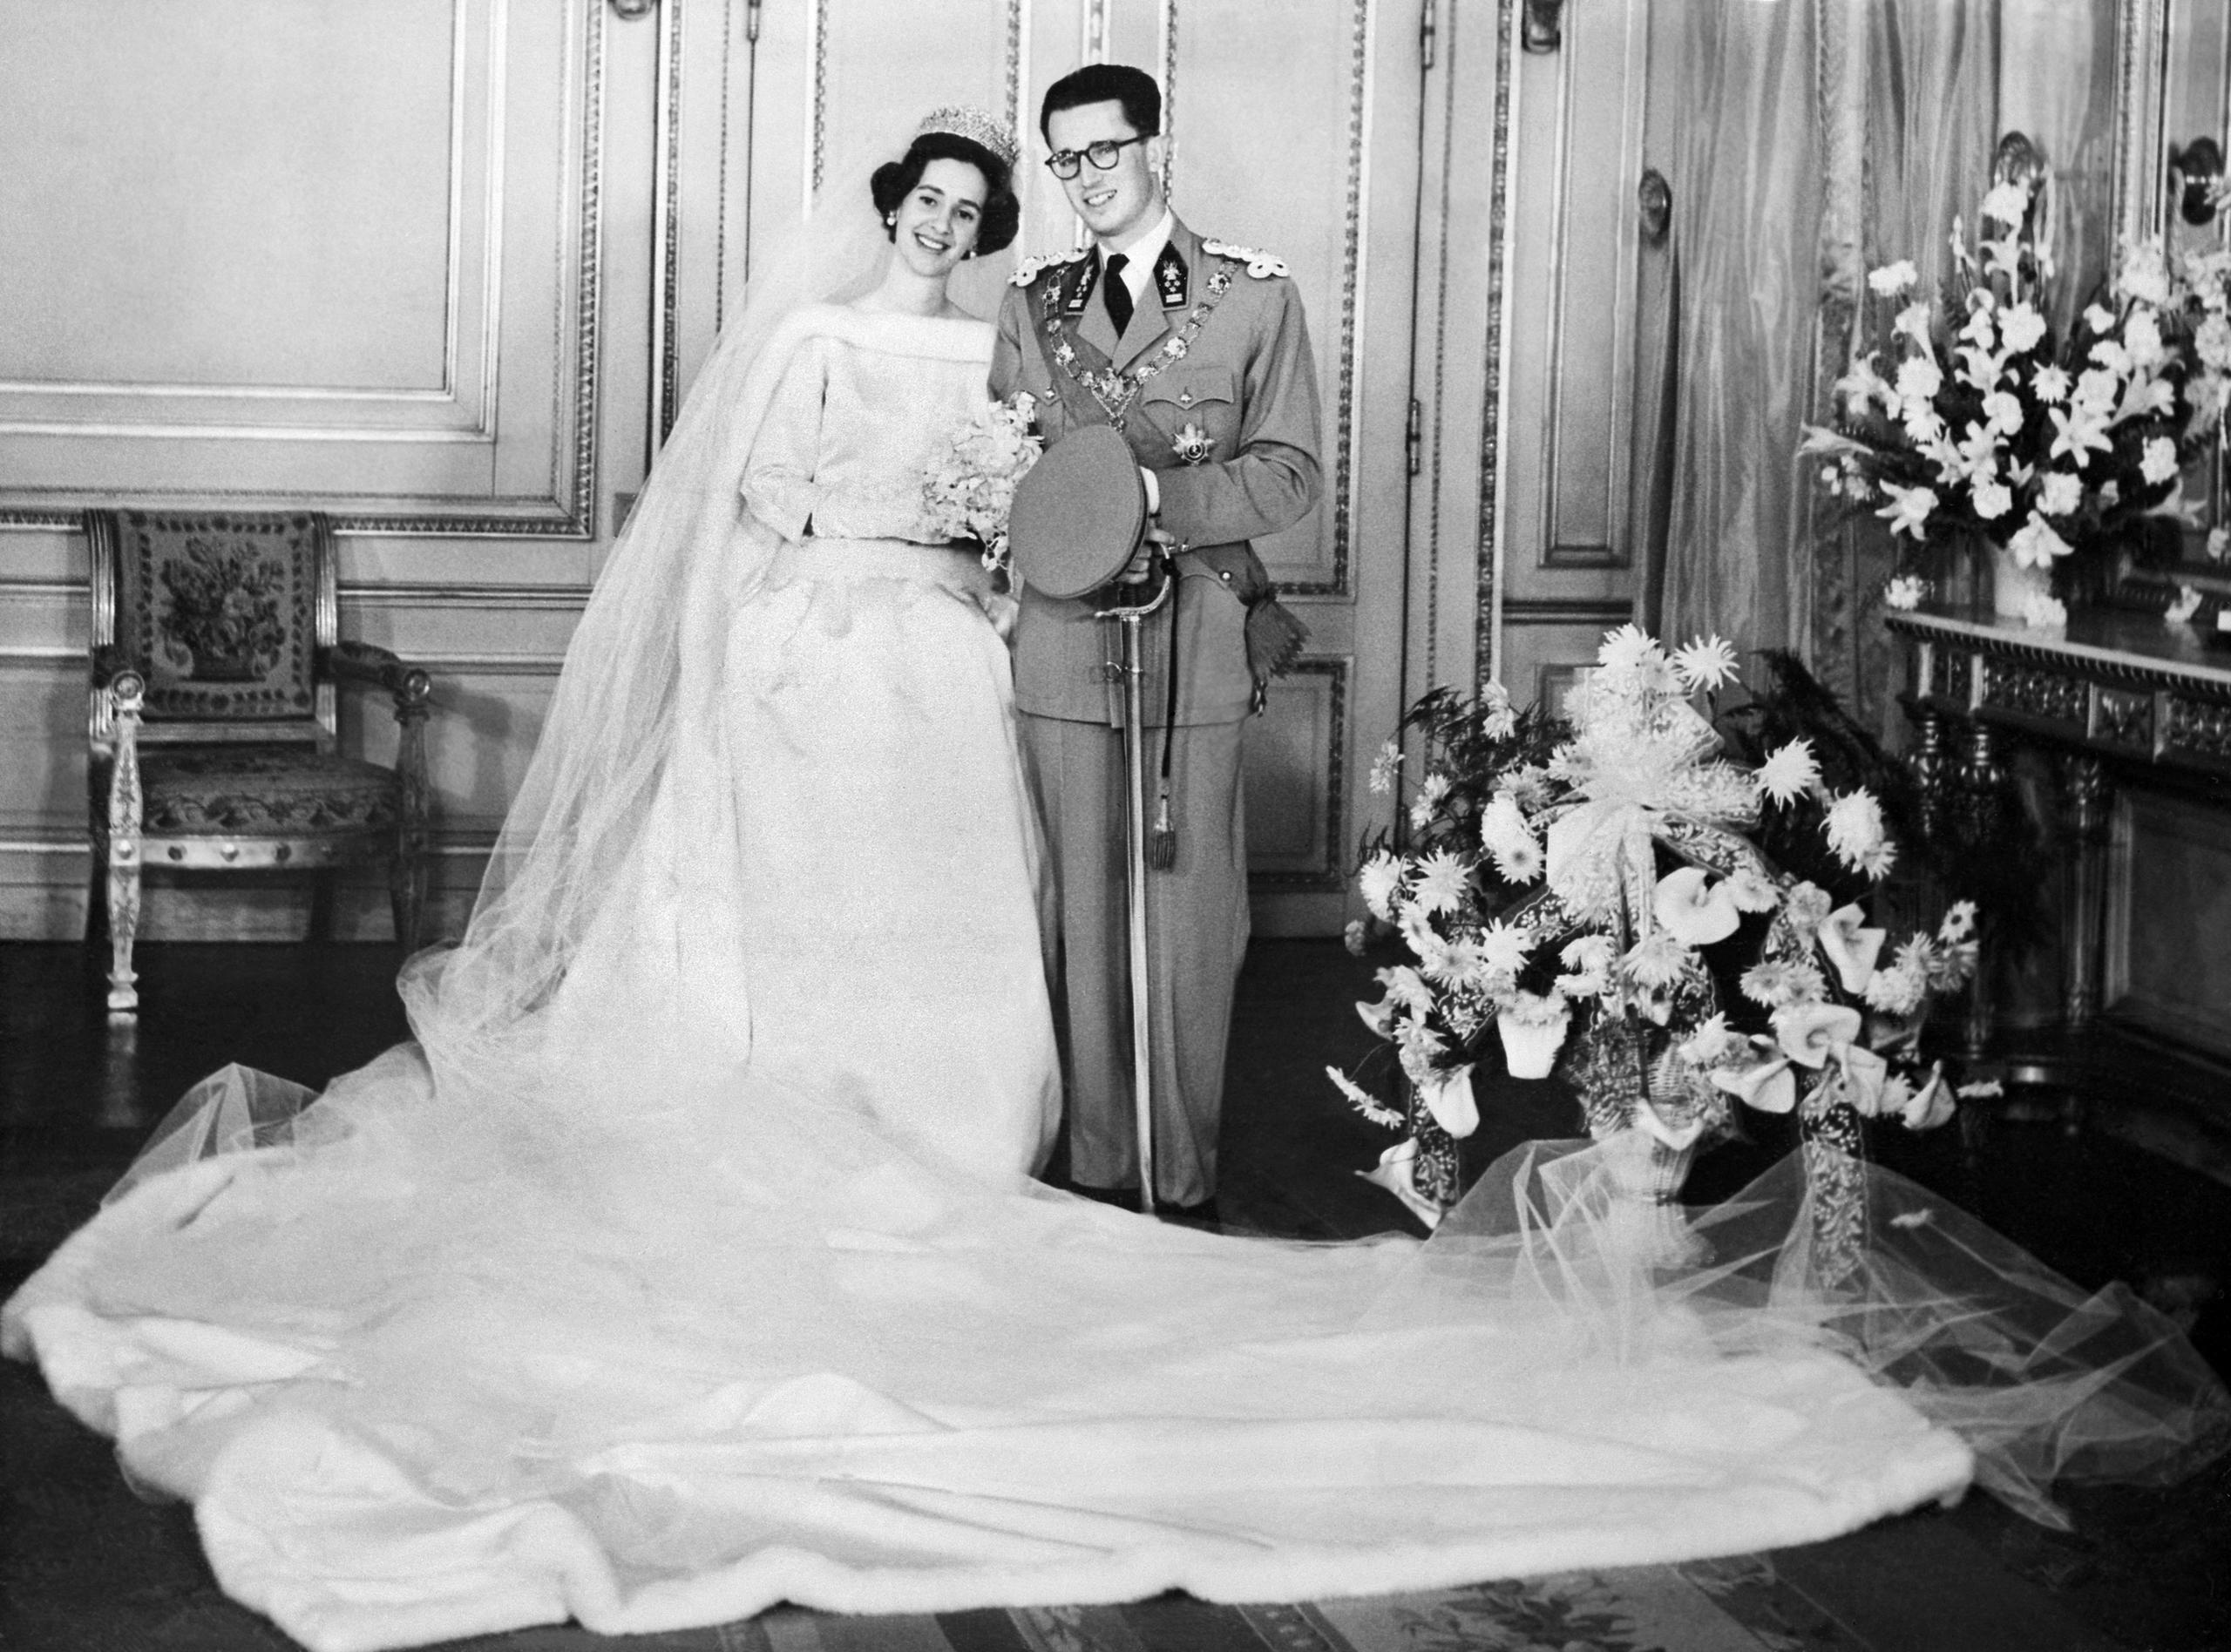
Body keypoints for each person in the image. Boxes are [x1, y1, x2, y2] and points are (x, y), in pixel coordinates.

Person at [3, 103, 2226, 1652]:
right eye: (941, 197)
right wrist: (807, 612)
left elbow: (1036, 503)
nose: (961, 226)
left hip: (948, 656)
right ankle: (785, 1116)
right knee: (783, 927)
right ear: (895, 205)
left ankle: (953, 1136)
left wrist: (997, 543)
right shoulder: (807, 342)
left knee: (954, 917)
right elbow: (751, 519)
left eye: (986, 202)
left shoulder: (1006, 348)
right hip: (807, 649)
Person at [993, 64, 1320, 1216]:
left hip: (1196, 639)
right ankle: (1095, 1173)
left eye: (1106, 151)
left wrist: (1152, 499)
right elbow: (1006, 473)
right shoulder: (1030, 304)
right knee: (1079, 917)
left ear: (1155, 147)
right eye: (1065, 158)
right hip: (1065, 644)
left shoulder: (1252, 297)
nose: (1087, 177)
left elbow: (1288, 473)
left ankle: (1182, 1178)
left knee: (1188, 928)